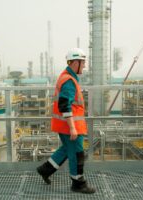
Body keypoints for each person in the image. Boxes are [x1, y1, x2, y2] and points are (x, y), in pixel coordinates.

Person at [37, 48, 96, 194]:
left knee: (66, 150)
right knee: (77, 154)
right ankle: (78, 183)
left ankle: (45, 170)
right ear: (75, 62)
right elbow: (65, 105)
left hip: (65, 125)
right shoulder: (69, 81)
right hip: (70, 126)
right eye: (83, 62)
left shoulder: (66, 76)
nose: (84, 65)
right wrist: (72, 128)